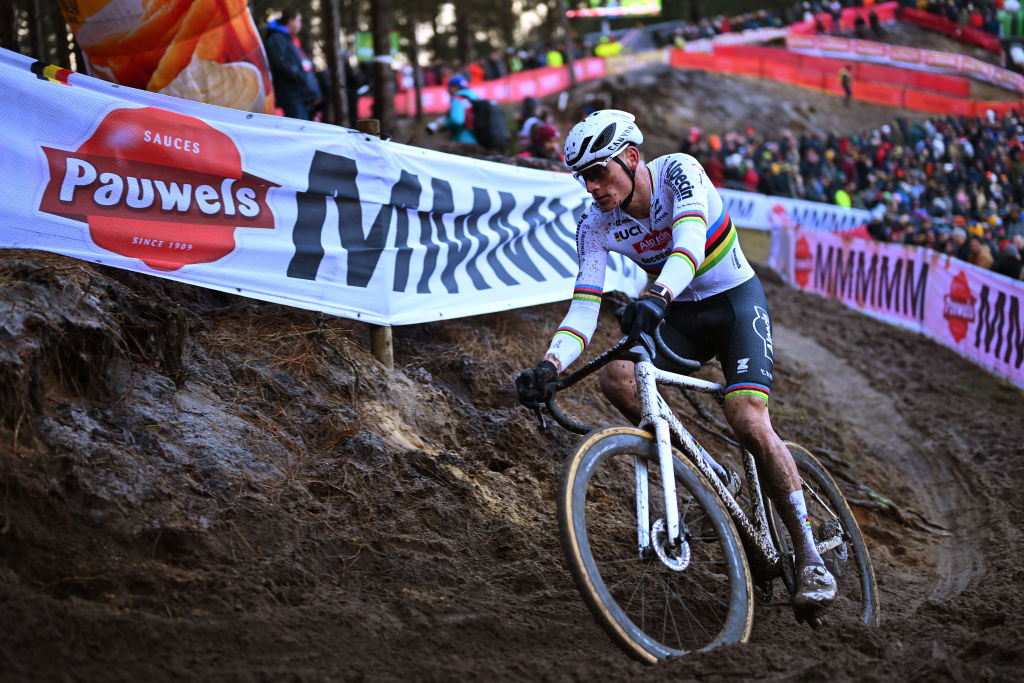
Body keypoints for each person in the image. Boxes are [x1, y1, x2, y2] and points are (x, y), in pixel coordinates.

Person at [514, 110, 837, 613]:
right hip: (677, 311)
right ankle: (710, 472)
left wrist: (658, 294)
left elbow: (688, 243)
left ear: (632, 157)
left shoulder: (678, 172)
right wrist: (550, 366)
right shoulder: (594, 222)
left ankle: (810, 550)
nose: (592, 187)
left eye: (599, 173)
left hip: (733, 303)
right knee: (618, 378)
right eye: (584, 178)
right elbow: (583, 304)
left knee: (747, 418)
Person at [263, 8, 321, 121]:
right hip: (292, 95)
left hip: (300, 94)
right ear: (290, 21)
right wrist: (300, 77)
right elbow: (281, 64)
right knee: (296, 130)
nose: (300, 24)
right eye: (299, 20)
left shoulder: (289, 39)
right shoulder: (277, 39)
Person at [426, 75, 479, 144]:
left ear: (453, 88)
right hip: (476, 137)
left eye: (449, 87)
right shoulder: (474, 97)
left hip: (462, 139)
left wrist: (444, 125)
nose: (448, 90)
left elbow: (457, 120)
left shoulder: (458, 100)